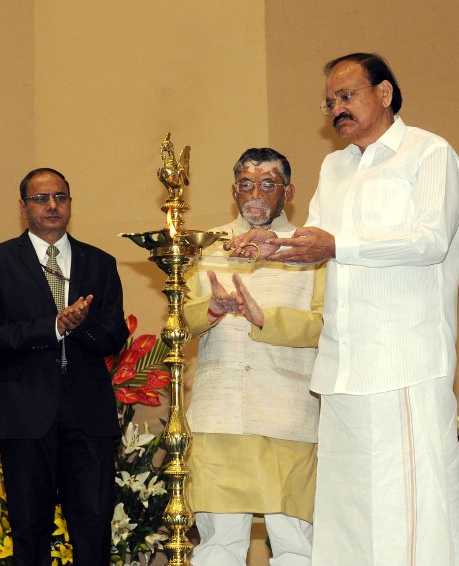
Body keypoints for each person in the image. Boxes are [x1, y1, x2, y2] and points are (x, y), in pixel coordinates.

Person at [231, 53, 459, 565]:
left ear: (384, 94)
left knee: (410, 507)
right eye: (330, 102)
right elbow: (313, 239)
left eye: (347, 96)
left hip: (404, 362)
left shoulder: (429, 154)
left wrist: (339, 246)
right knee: (346, 512)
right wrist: (274, 247)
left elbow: (429, 240)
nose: (336, 109)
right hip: (342, 368)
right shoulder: (334, 166)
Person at [0, 167, 129, 565]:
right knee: (29, 532)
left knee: (93, 531)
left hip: (88, 417)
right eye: (41, 199)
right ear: (23, 208)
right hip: (24, 415)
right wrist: (54, 326)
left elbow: (114, 334)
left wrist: (79, 325)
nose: (52, 206)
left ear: (71, 202)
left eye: (60, 197)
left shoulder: (100, 263)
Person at [184, 148, 325, 566]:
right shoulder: (207, 245)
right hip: (218, 414)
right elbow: (179, 321)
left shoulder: (308, 248)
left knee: (295, 545)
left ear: (289, 191)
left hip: (287, 415)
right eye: (246, 185)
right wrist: (211, 310)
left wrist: (267, 319)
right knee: (218, 547)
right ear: (234, 191)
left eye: (268, 184)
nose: (256, 194)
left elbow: (326, 326)